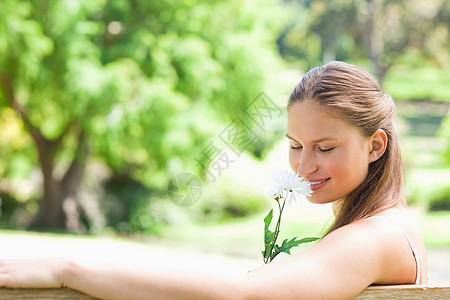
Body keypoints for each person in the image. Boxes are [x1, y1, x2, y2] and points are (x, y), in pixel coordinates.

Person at [0, 61, 427, 299]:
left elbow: (246, 296)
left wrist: (68, 268)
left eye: (325, 147)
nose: (303, 165)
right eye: (296, 145)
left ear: (375, 146)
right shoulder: (386, 225)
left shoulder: (376, 236)